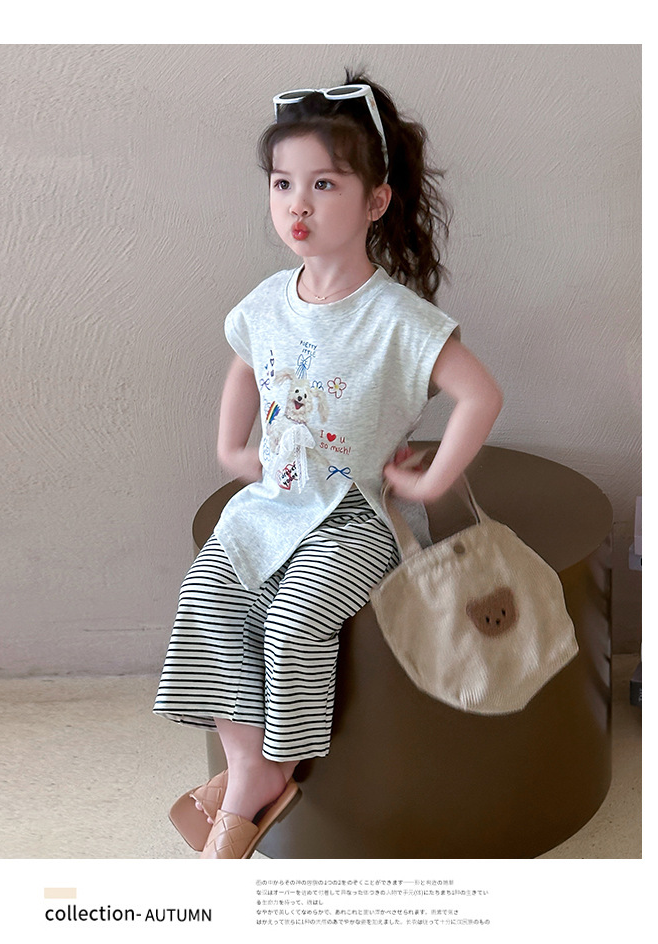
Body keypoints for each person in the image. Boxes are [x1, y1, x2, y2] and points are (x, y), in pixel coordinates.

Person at [153, 72, 503, 859]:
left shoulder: (399, 318)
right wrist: (231, 447)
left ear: (375, 201)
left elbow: (481, 395)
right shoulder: (270, 299)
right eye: (283, 184)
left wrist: (433, 479)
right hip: (275, 501)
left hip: (355, 516)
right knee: (208, 593)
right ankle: (251, 770)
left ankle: (268, 772)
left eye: (323, 184)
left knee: (295, 617)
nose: (297, 205)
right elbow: (245, 361)